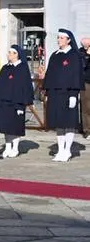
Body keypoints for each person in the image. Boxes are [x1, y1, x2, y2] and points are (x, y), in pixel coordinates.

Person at [43, 29, 84, 162]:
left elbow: (76, 76)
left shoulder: (74, 55)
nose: (58, 40)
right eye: (58, 38)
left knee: (69, 123)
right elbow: (49, 75)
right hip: (55, 94)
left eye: (61, 38)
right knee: (59, 123)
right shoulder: (55, 55)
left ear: (68, 40)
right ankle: (60, 150)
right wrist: (47, 92)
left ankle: (68, 150)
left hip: (67, 94)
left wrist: (74, 94)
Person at [0, 45, 34, 158]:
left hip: (16, 103)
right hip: (3, 103)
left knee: (15, 127)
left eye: (11, 52)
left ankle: (15, 148)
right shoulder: (5, 68)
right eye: (8, 52)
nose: (8, 54)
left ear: (17, 55)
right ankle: (8, 146)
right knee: (5, 127)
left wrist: (22, 105)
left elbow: (25, 88)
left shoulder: (22, 68)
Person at [82, 37, 90, 139]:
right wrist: (88, 55)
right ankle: (87, 130)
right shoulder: (81, 53)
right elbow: (83, 65)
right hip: (86, 82)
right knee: (86, 107)